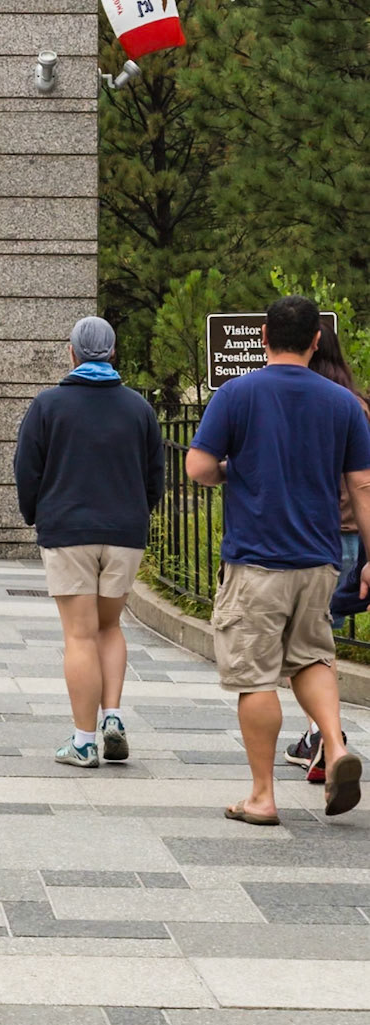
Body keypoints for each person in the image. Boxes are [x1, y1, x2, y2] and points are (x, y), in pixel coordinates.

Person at [187, 294, 370, 823]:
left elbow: (198, 466)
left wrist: (229, 473)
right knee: (313, 656)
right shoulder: (343, 404)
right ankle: (334, 749)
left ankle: (263, 796)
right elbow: (362, 486)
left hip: (256, 559)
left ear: (264, 336)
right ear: (317, 340)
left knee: (257, 677)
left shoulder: (237, 393)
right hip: (320, 558)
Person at [14, 316, 164, 769]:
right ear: (113, 352)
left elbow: (27, 469)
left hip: (68, 529)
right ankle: (113, 716)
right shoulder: (139, 408)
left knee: (79, 634)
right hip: (124, 531)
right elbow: (154, 476)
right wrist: (138, 512)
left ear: (71, 352)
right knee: (110, 627)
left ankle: (82, 741)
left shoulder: (49, 405)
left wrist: (34, 514)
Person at [287, 329, 370, 785]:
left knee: (312, 645)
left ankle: (324, 735)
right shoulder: (353, 405)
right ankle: (317, 735)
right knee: (322, 639)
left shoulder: (308, 404)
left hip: (311, 533)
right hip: (351, 534)